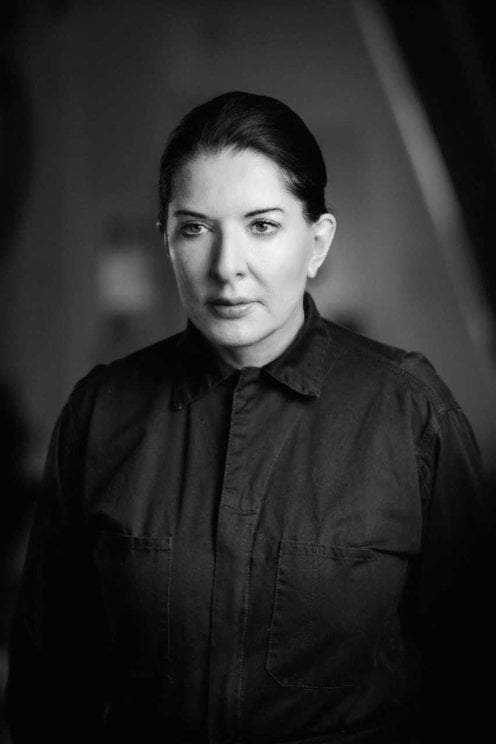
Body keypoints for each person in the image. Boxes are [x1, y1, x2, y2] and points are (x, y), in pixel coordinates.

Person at [6, 91, 489, 744]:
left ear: (317, 243)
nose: (226, 267)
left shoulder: (410, 412)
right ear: (166, 241)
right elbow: (48, 681)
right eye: (195, 228)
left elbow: (472, 673)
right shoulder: (102, 413)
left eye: (262, 226)